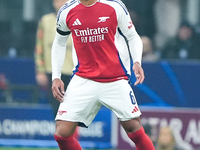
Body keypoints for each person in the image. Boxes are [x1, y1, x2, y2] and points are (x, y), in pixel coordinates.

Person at [51, 0, 155, 150]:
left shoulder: (114, 6)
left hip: (115, 79)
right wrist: (56, 76)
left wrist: (137, 62)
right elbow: (59, 43)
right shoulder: (67, 11)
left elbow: (132, 36)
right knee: (61, 134)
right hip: (83, 79)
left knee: (134, 130)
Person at [34, 0, 73, 115]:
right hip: (52, 72)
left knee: (73, 111)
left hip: (73, 72)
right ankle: (61, 132)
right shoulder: (45, 21)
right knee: (57, 110)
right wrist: (40, 71)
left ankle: (71, 132)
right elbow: (39, 47)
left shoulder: (78, 19)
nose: (60, 3)